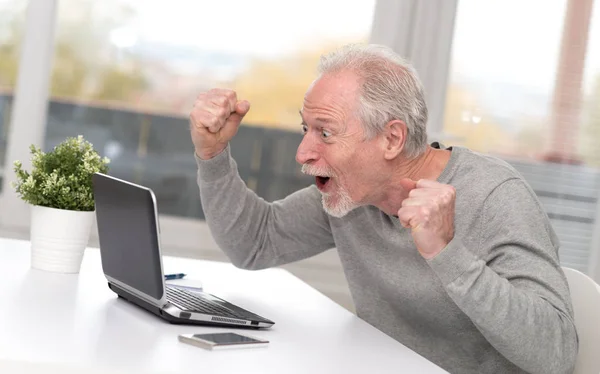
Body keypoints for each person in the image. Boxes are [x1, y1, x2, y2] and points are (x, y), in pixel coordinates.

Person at [188, 44, 578, 374]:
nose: (303, 153)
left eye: (325, 132)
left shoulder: (495, 196)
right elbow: (254, 243)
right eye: (305, 129)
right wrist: (213, 155)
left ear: (392, 138)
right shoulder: (354, 195)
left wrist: (446, 253)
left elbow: (556, 354)